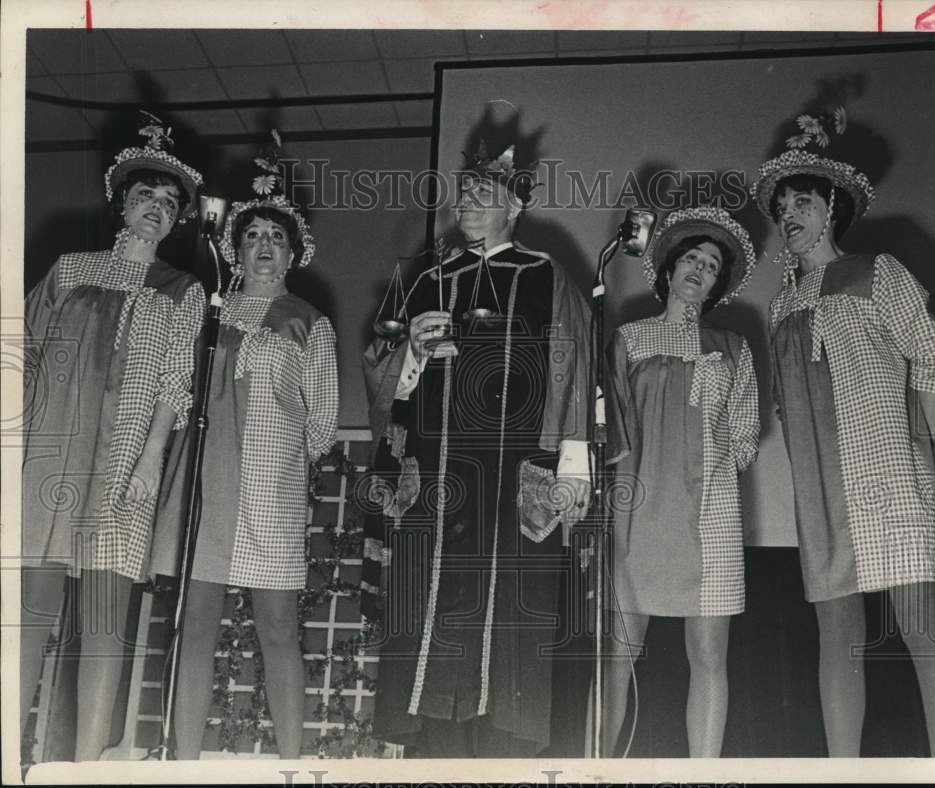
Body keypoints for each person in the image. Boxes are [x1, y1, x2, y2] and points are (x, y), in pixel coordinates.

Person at [360, 140, 591, 757]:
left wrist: (573, 466)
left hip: (514, 477)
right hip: (436, 480)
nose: (468, 200)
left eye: (484, 192)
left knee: (506, 647)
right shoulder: (427, 278)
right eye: (463, 192)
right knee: (430, 644)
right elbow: (384, 381)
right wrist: (410, 352)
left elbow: (575, 367)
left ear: (515, 206)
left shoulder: (546, 275)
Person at [751, 107, 935, 756]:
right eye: (782, 205)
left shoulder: (879, 271)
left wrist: (915, 439)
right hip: (821, 488)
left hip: (887, 473)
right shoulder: (782, 305)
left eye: (803, 202)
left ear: (832, 210)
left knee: (922, 625)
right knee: (835, 632)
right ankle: (841, 769)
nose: (790, 214)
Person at [21, 114, 205, 761]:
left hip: (126, 460)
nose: (155, 209)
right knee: (25, 622)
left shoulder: (183, 289)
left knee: (103, 630)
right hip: (47, 457)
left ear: (179, 218)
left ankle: (87, 768)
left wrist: (152, 458)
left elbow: (175, 384)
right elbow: (23, 357)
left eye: (169, 203)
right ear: (120, 204)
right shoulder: (69, 268)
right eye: (144, 196)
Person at [151, 131, 339, 759]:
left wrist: (277, 458)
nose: (264, 246)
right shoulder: (204, 311)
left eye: (276, 238)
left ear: (292, 255)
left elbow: (321, 427)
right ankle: (183, 763)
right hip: (207, 488)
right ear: (236, 249)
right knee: (194, 628)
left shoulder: (310, 322)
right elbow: (178, 389)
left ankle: (292, 762)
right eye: (253, 236)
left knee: (279, 627)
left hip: (271, 487)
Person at [599, 206, 760, 757]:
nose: (699, 268)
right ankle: (599, 767)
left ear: (717, 285)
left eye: (712, 265)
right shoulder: (628, 338)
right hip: (636, 509)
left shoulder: (734, 347)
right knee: (617, 656)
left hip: (709, 511)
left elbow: (744, 433)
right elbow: (610, 427)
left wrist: (710, 468)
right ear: (668, 270)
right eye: (691, 257)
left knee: (710, 656)